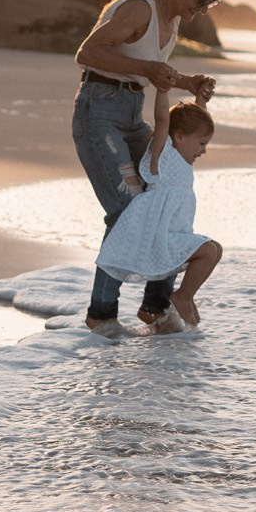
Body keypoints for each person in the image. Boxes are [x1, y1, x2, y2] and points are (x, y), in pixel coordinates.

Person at [72, 0, 224, 329]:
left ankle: (155, 308)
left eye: (212, 2)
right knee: (128, 210)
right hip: (99, 112)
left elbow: (148, 67)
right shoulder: (141, 8)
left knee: (164, 203)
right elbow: (87, 53)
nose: (203, 9)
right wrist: (149, 72)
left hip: (130, 113)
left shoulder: (171, 20)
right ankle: (101, 316)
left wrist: (188, 83)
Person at [95, 86, 221, 334]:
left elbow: (193, 124)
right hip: (157, 235)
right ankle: (182, 296)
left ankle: (175, 299)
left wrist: (200, 101)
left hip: (173, 233)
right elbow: (163, 120)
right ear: (180, 136)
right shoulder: (161, 154)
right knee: (207, 251)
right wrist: (162, 91)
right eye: (202, 143)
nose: (204, 150)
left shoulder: (184, 157)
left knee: (215, 249)